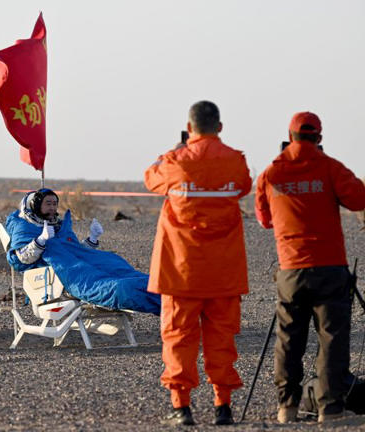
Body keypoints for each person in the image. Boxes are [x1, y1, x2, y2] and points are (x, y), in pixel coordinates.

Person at [145, 101, 252, 426]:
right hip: (223, 273)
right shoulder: (235, 161)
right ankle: (223, 406)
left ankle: (182, 407)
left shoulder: (175, 161)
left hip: (181, 272)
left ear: (189, 129)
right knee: (222, 340)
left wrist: (173, 151)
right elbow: (244, 186)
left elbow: (151, 179)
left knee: (178, 339)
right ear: (219, 127)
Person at [255, 111, 365, 424]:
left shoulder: (271, 173)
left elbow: (264, 220)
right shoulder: (329, 167)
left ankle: (286, 407)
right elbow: (358, 199)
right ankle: (330, 408)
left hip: (291, 269)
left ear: (290, 137)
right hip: (329, 266)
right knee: (332, 338)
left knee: (289, 338)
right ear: (318, 137)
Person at [5, 189, 160, 314]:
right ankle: (170, 307)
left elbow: (75, 253)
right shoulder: (24, 228)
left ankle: (173, 299)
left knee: (138, 278)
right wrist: (40, 241)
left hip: (81, 267)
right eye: (48, 204)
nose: (53, 208)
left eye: (54, 204)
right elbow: (19, 261)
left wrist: (92, 238)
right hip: (66, 278)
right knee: (124, 288)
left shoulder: (58, 227)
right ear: (34, 205)